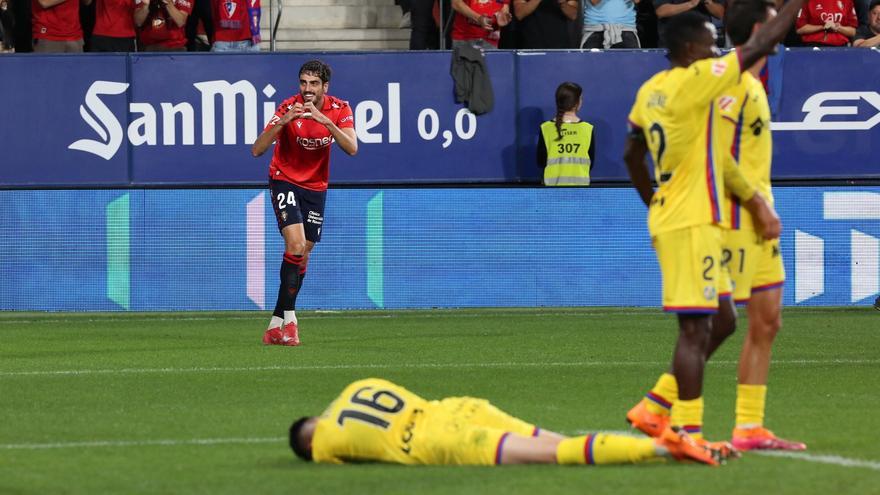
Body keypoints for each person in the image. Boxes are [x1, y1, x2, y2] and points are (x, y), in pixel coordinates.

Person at [622, 0, 803, 449]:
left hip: (707, 209)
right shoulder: (721, 83)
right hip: (724, 214)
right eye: (707, 43)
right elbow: (719, 155)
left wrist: (653, 202)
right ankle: (690, 429)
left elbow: (632, 152)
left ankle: (707, 418)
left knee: (743, 320)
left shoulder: (667, 87)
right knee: (711, 323)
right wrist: (756, 203)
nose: (713, 48)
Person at [288, 378, 728, 466]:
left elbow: (338, 453)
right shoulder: (359, 386)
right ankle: (676, 443)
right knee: (558, 441)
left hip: (449, 440)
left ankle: (665, 448)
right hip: (462, 407)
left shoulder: (324, 443)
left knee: (560, 456)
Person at [251, 60, 358, 347]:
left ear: (325, 87)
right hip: (284, 178)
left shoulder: (339, 109)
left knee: (304, 252)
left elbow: (351, 148)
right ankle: (291, 320)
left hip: (315, 186)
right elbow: (257, 149)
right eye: (303, 83)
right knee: (296, 245)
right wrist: (284, 122)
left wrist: (325, 121)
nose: (307, 89)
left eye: (313, 84)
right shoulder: (288, 107)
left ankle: (275, 324)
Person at [537, 82, 595, 186]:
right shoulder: (588, 129)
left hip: (551, 191)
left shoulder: (546, 128)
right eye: (581, 98)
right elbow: (591, 162)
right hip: (580, 192)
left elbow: (541, 161)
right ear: (577, 103)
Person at [653, 0, 726, 47]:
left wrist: (708, 1)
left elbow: (720, 14)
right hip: (673, 43)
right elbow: (661, 11)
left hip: (701, 43)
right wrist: (691, 3)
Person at [514, 0, 578, 49]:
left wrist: (563, 3)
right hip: (532, 45)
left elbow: (573, 15)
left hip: (560, 45)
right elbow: (519, 14)